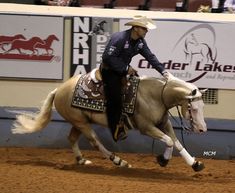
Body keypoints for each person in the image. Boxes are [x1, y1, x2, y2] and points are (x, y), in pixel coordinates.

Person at [100, 15, 171, 142]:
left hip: (122, 70)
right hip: (109, 71)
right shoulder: (120, 38)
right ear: (136, 28)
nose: (146, 31)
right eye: (144, 28)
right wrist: (126, 68)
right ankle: (116, 129)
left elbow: (150, 57)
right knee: (115, 98)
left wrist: (164, 72)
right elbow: (107, 57)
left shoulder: (140, 42)